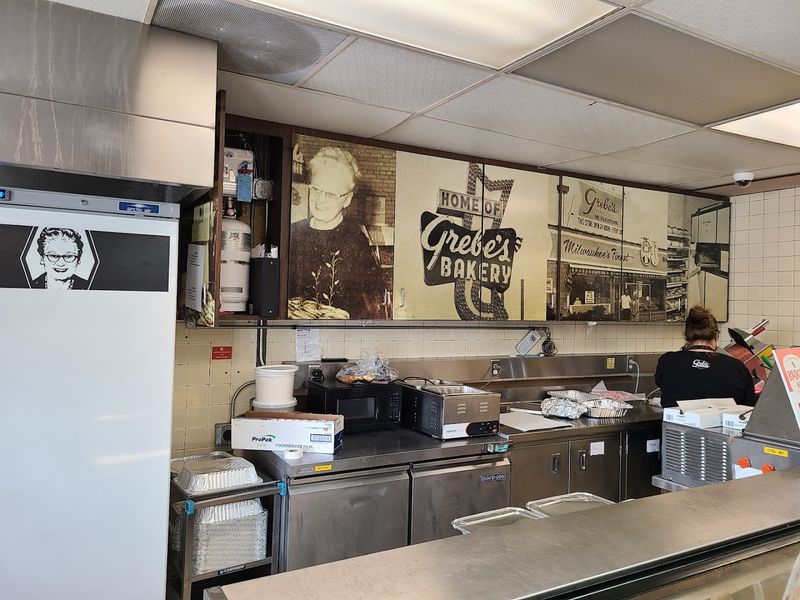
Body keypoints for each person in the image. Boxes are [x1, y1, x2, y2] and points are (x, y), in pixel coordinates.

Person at [289, 146, 384, 319]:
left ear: (347, 199)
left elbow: (373, 299)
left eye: (331, 193)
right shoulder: (292, 233)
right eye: (316, 189)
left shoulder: (356, 240)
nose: (320, 199)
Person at [655, 306, 756, 408]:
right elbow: (748, 407)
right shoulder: (737, 367)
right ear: (717, 336)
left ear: (686, 335)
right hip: (721, 424)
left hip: (674, 424)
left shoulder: (668, 362)